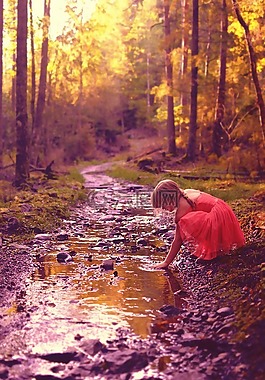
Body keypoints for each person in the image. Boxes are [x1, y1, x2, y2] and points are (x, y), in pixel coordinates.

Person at [151, 179, 245, 269]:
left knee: (185, 222)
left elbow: (178, 240)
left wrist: (166, 262)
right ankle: (216, 249)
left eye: (163, 204)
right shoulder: (186, 193)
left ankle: (211, 251)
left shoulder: (182, 208)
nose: (163, 208)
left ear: (169, 197)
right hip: (224, 211)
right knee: (195, 219)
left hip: (218, 217)